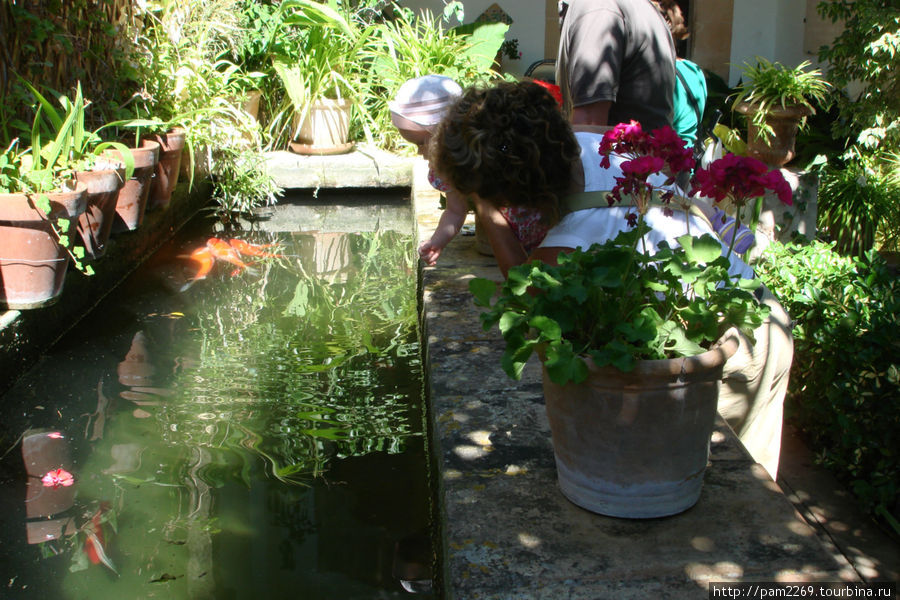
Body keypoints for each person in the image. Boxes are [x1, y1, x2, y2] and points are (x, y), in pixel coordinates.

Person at [429, 81, 792, 479]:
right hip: (759, 308)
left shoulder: (569, 243)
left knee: (721, 486)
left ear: (510, 196)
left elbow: (524, 289)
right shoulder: (595, 143)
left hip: (737, 343)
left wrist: (485, 208)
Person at [389, 75, 549, 268]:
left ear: (443, 132)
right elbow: (455, 211)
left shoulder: (493, 146)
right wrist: (437, 242)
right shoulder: (447, 170)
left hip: (543, 229)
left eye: (420, 143)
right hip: (508, 240)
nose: (419, 152)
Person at [556, 0, 677, 130]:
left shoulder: (597, 6)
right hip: (641, 146)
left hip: (615, 148)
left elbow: (589, 123)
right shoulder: (642, 7)